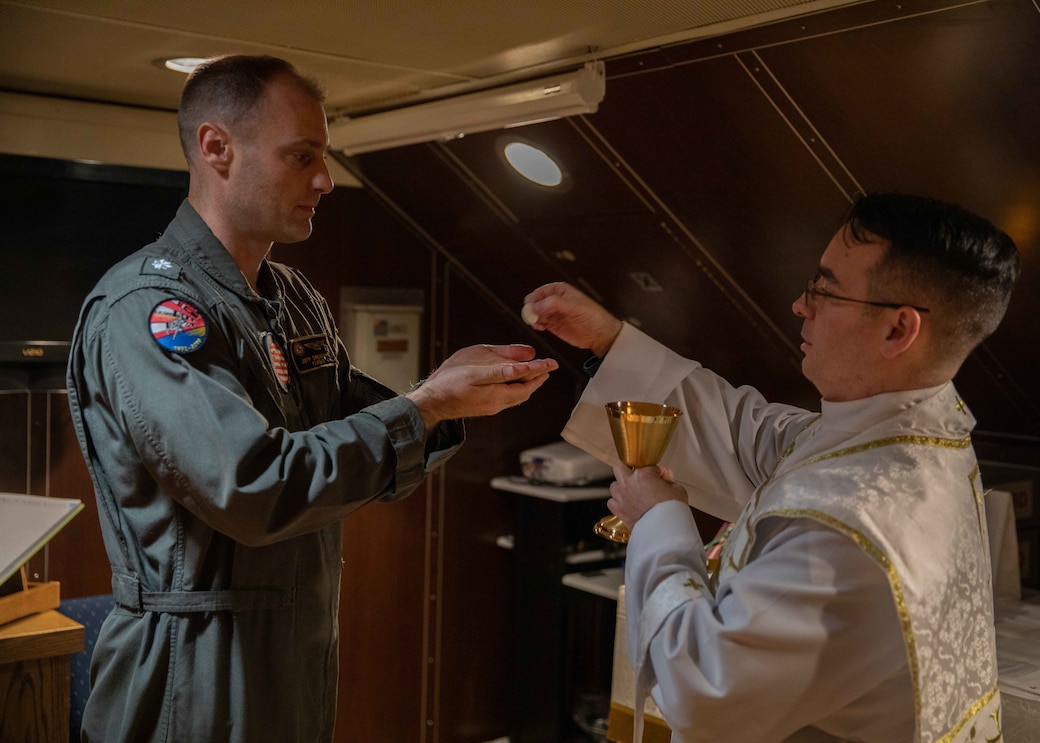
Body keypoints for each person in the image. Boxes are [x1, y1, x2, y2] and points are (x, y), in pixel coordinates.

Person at [65, 54, 558, 743]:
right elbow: (253, 486)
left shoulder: (291, 297)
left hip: (294, 657)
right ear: (217, 149)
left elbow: (353, 433)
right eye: (302, 157)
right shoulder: (152, 308)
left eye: (323, 157)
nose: (325, 181)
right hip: (189, 671)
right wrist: (426, 406)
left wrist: (447, 392)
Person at [523, 192, 1020, 743]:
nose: (800, 305)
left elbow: (704, 691)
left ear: (898, 330)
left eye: (825, 290)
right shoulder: (917, 436)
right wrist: (609, 342)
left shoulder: (851, 525)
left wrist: (659, 523)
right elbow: (747, 432)